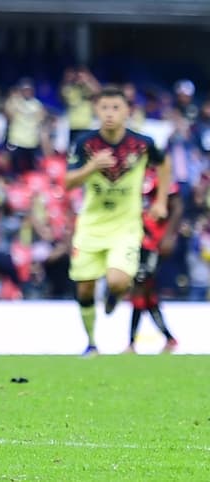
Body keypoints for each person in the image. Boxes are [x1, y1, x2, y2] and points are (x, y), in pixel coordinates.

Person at [64, 85, 168, 356]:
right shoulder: (84, 144)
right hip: (91, 226)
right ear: (96, 110)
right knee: (85, 289)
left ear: (127, 112)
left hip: (126, 226)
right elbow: (67, 182)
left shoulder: (143, 144)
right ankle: (91, 344)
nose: (109, 114)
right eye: (104, 108)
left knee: (118, 280)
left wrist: (161, 201)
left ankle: (115, 293)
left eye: (115, 108)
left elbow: (164, 164)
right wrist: (91, 166)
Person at [125, 169, 181, 353]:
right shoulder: (130, 172)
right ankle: (170, 339)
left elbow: (177, 206)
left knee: (140, 286)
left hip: (153, 241)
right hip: (134, 239)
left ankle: (131, 344)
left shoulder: (160, 175)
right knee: (147, 294)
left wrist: (168, 237)